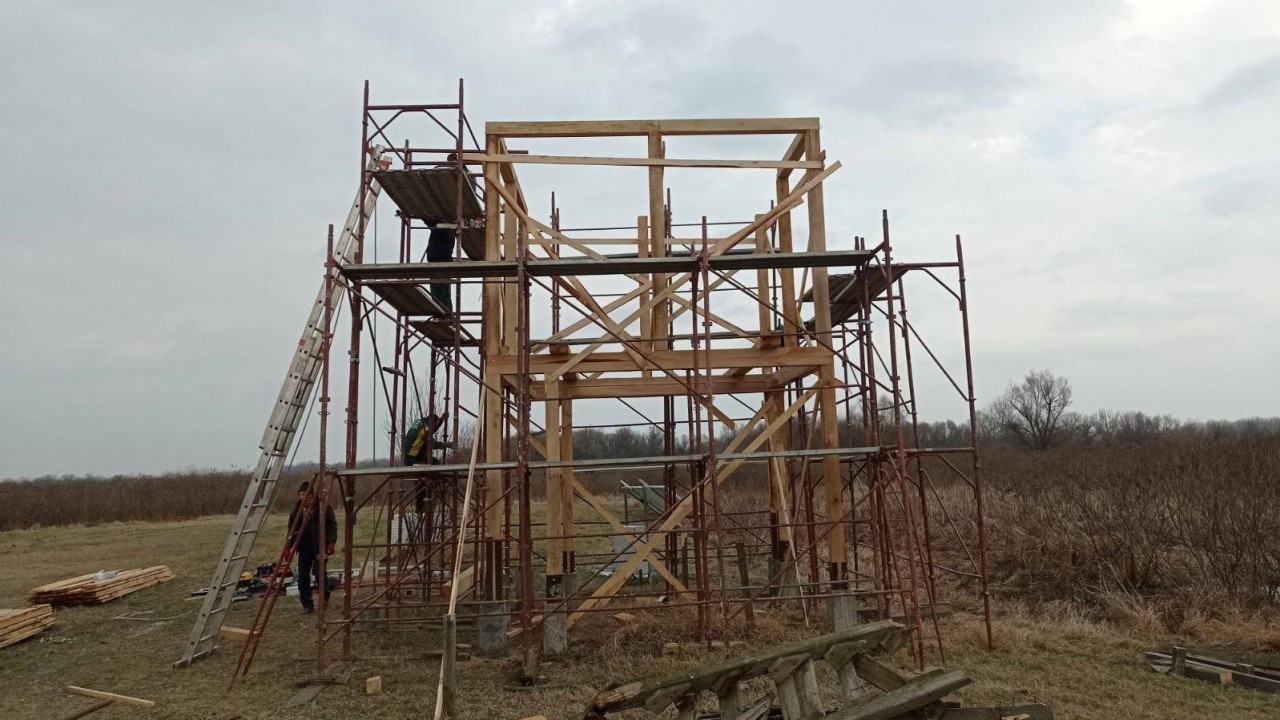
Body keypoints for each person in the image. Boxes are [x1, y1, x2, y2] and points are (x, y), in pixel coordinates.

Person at [287, 481, 338, 614]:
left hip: (319, 546)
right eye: (301, 494)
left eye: (306, 495)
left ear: (312, 496)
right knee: (303, 576)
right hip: (304, 547)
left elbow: (332, 526)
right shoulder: (296, 512)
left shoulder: (323, 508)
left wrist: (331, 542)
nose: (303, 497)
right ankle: (307, 604)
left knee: (318, 572)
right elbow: (291, 531)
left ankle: (324, 597)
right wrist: (289, 547)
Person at [427, 153, 459, 311]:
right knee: (440, 284)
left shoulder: (462, 175)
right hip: (439, 254)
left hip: (439, 255)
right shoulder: (442, 221)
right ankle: (444, 311)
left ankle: (444, 312)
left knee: (441, 284)